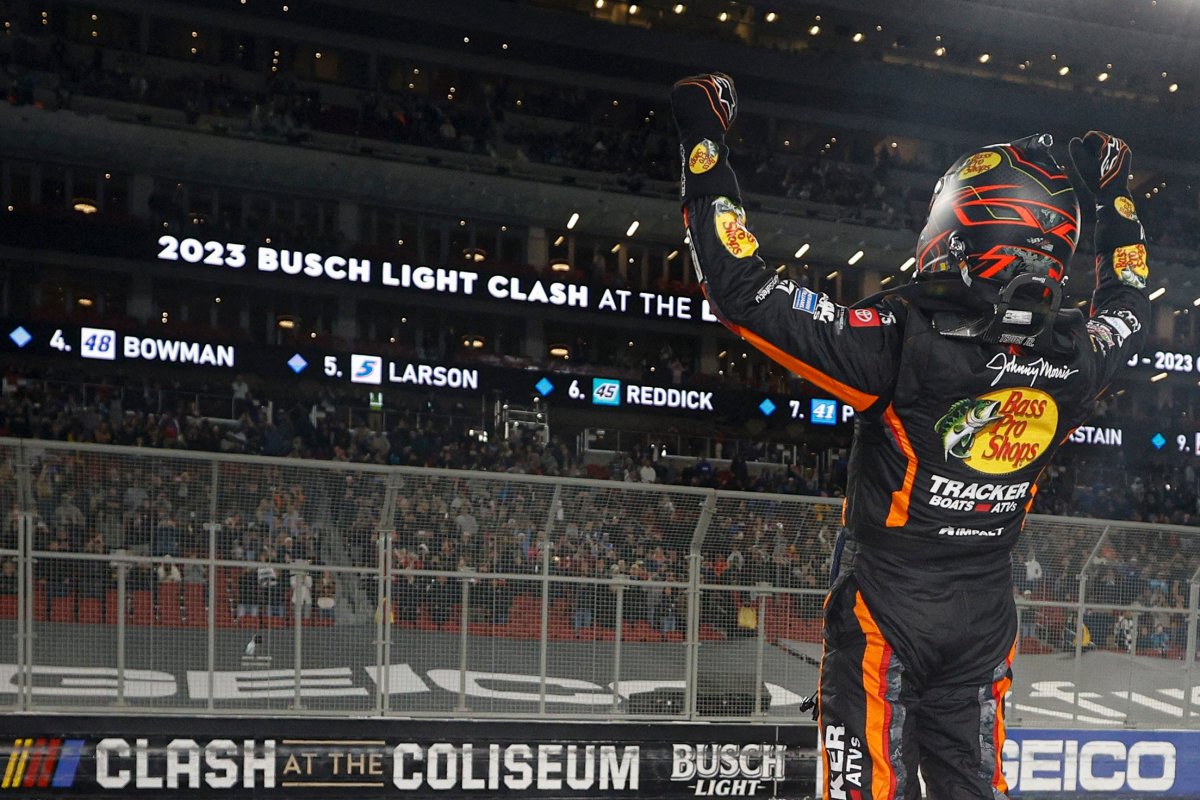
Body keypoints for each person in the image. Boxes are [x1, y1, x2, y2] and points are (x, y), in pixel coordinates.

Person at [670, 73, 1149, 799]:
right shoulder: (1076, 358)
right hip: (985, 615)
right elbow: (1131, 304)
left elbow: (742, 291)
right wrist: (1112, 196)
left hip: (885, 613)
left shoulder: (898, 339)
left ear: (965, 227)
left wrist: (703, 142)